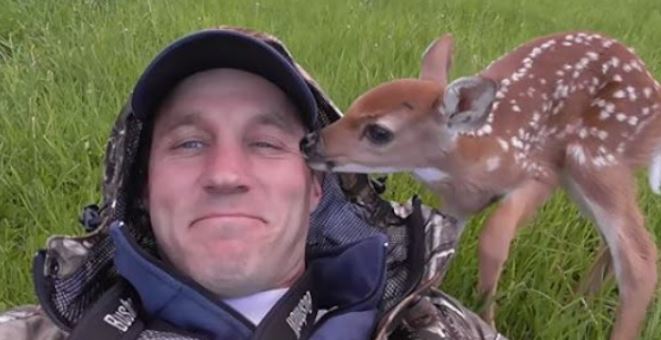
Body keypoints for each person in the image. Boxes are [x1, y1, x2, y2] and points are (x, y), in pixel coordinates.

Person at [0, 26, 505, 339]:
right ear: (143, 187)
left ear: (314, 186)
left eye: (266, 143)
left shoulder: (439, 330)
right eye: (189, 143)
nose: (225, 174)